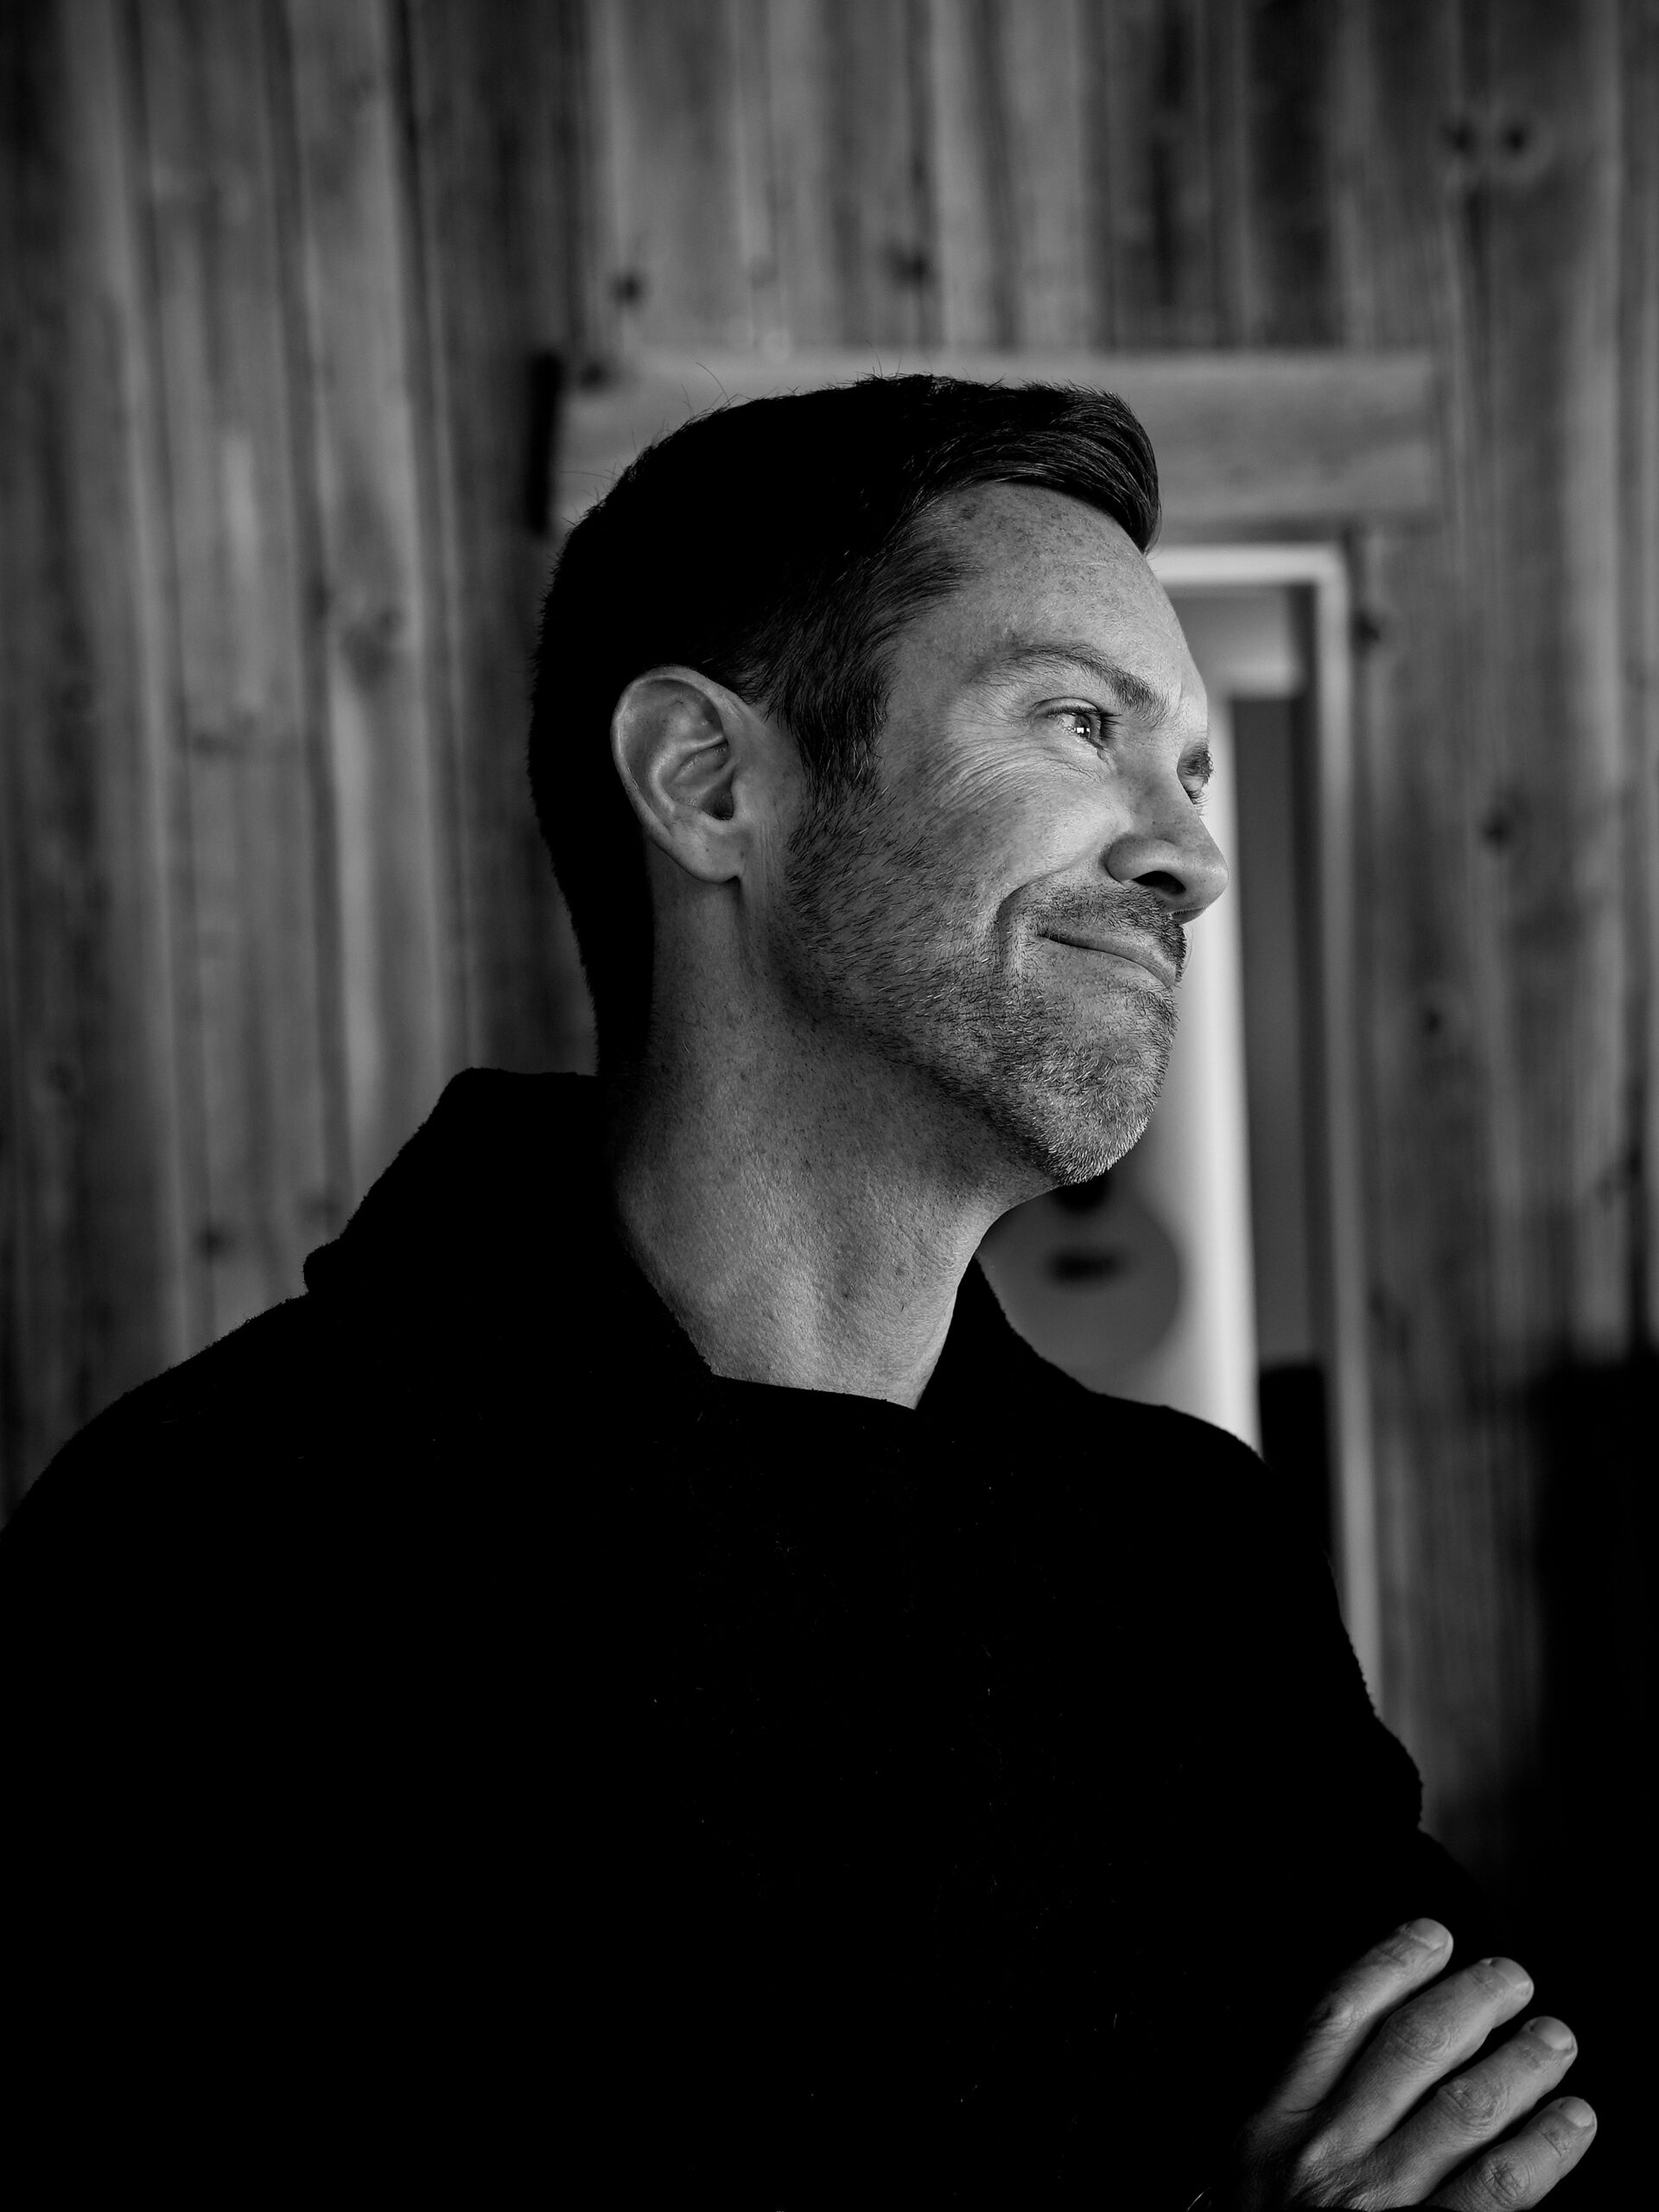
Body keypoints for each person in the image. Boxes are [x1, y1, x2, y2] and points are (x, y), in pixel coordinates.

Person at [0, 377, 1597, 2206]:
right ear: (707, 781)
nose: (1192, 858)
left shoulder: (1191, 1557)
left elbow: (1501, 2143)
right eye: (1080, 722)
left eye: (1194, 772)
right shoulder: (213, 1547)